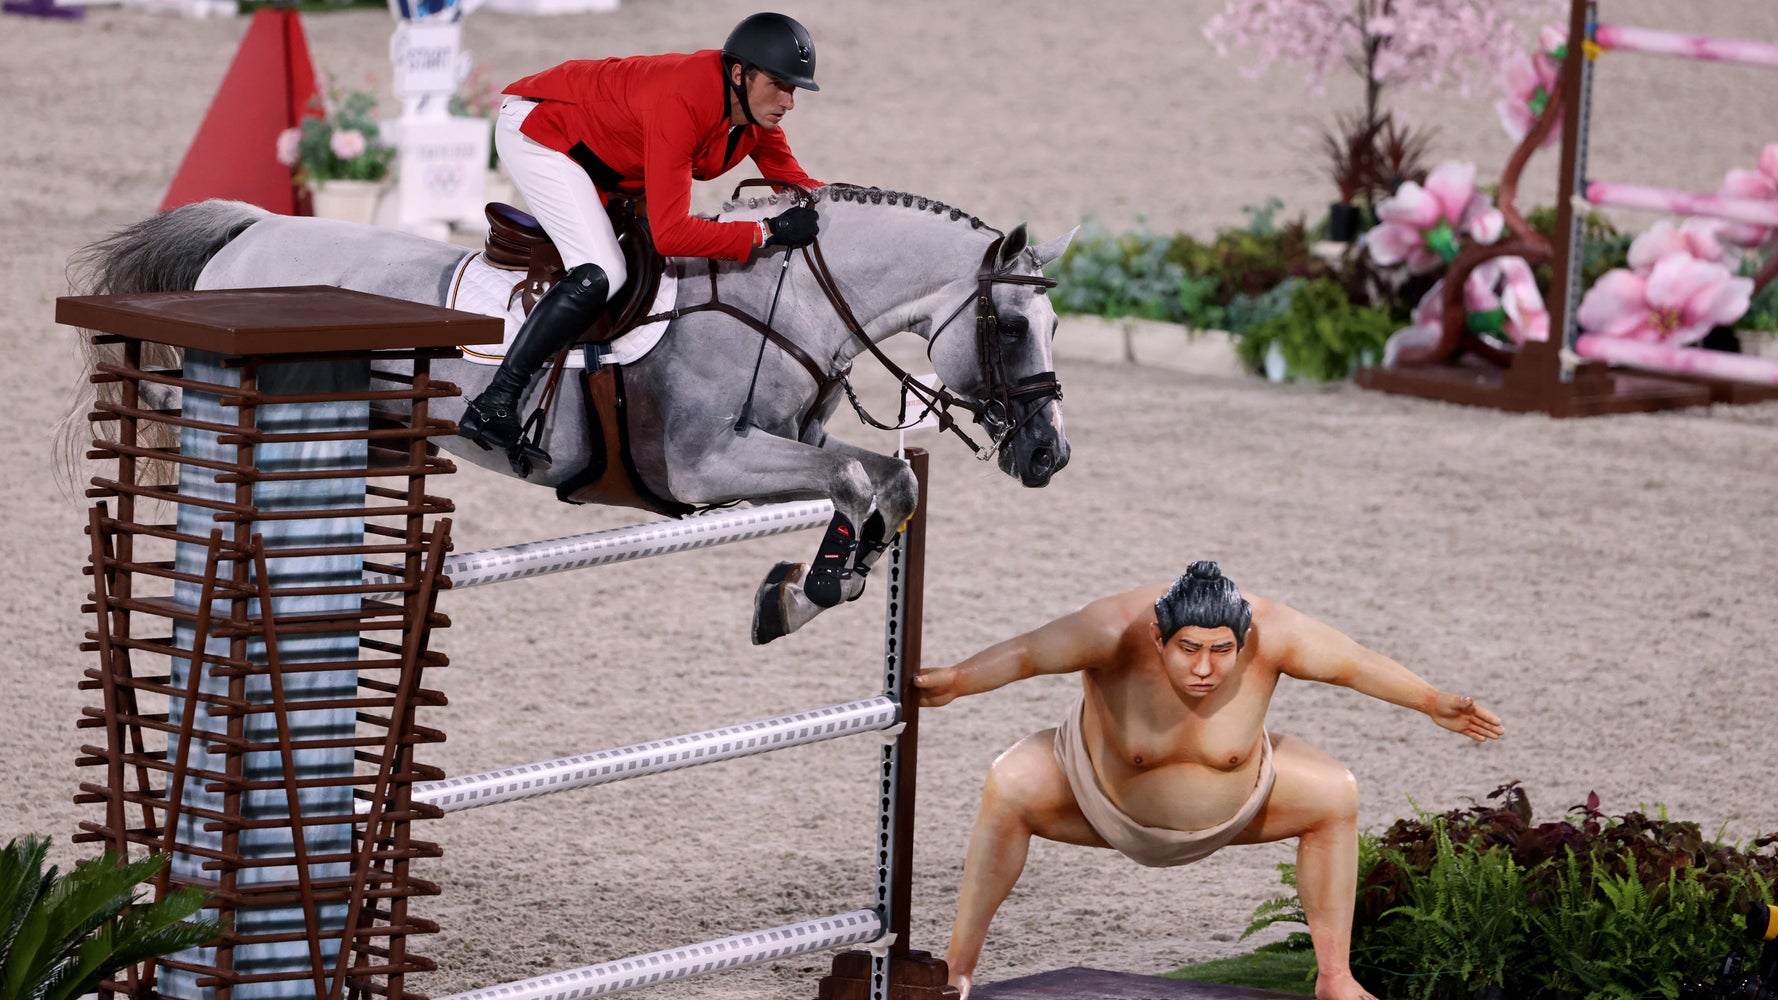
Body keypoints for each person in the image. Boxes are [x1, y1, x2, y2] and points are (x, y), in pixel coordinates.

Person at [912, 561, 1505, 1000]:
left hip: (1237, 810)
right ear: (1157, 638)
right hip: (1095, 802)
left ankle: (1335, 978)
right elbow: (1026, 654)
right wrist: (961, 679)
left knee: (1333, 791)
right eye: (1188, 650)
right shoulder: (1111, 627)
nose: (1204, 669)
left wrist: (1430, 700)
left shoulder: (1274, 631)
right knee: (1010, 781)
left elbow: (1354, 663)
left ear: (1243, 640)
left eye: (1222, 651)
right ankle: (957, 968)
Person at [459, 11, 826, 471]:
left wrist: (853, 204)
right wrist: (765, 232)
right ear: (739, 73)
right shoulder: (683, 100)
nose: (788, 101)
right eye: (778, 84)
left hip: (613, 155)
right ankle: (494, 403)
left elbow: (797, 185)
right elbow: (675, 231)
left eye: (794, 89)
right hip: (543, 134)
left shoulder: (751, 114)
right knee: (603, 272)